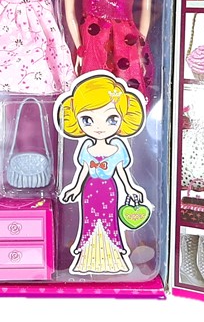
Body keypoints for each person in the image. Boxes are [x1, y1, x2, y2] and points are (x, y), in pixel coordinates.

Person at [56, 73, 151, 274]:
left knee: (109, 222)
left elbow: (122, 172)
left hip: (109, 190)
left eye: (111, 118)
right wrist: (75, 188)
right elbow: (83, 171)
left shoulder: (118, 147)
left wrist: (130, 189)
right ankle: (89, 260)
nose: (99, 127)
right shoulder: (86, 147)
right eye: (87, 119)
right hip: (89, 190)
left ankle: (110, 259)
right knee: (89, 222)